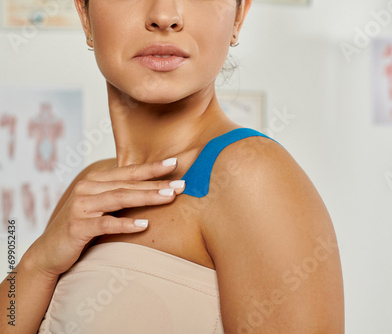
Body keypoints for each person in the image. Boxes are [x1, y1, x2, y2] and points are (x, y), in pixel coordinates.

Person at [0, 0, 344, 332]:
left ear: (238, 17)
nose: (164, 16)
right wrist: (37, 263)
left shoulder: (250, 174)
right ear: (85, 16)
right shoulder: (90, 185)